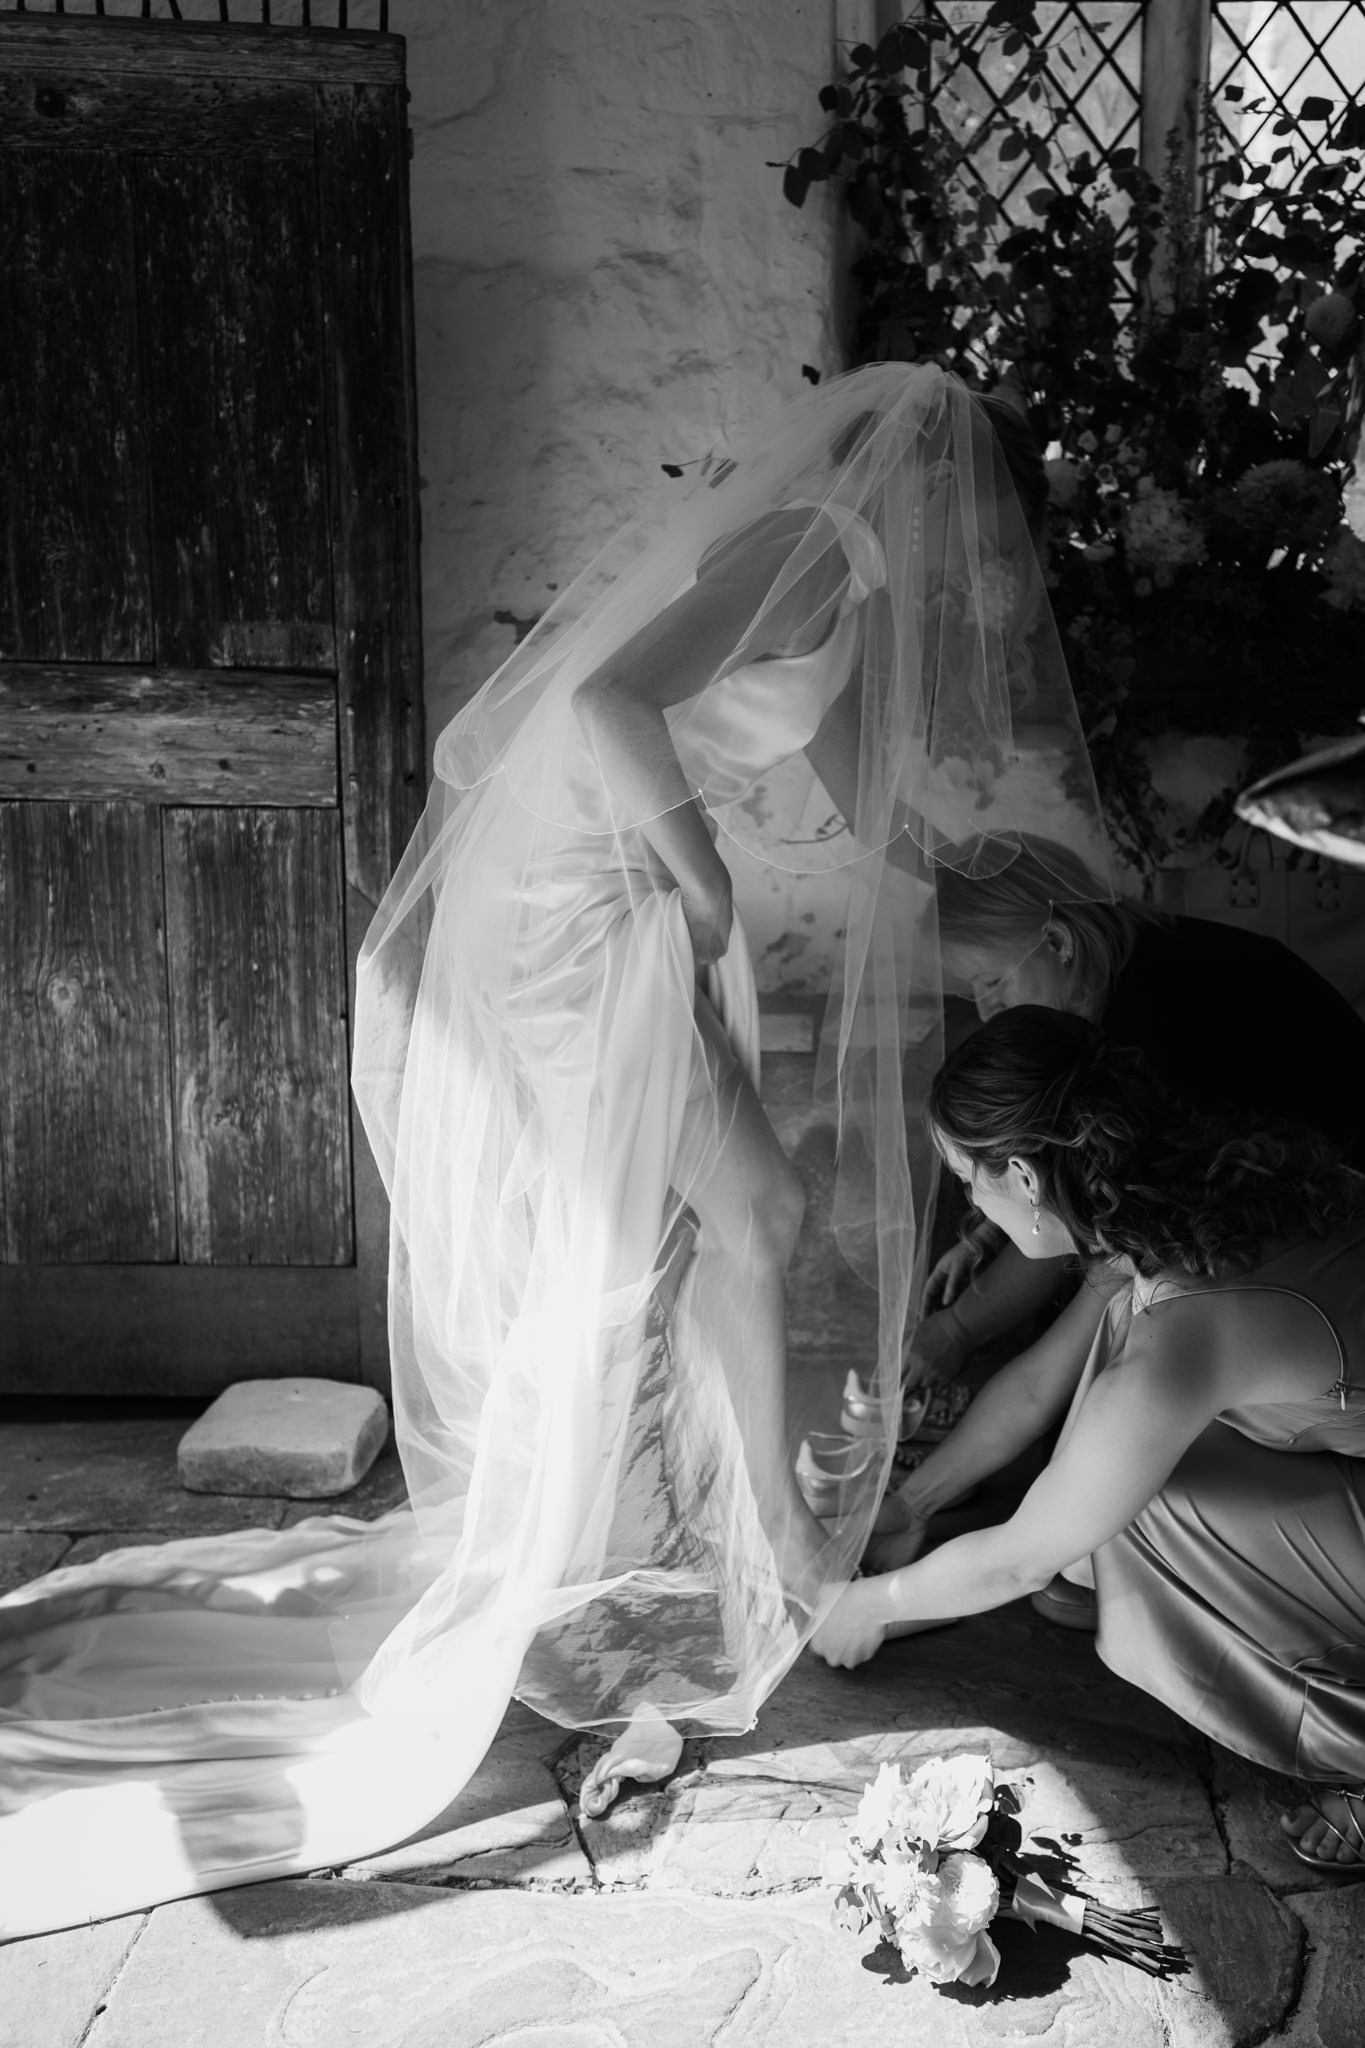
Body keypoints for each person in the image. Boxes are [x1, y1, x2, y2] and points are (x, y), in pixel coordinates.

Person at [0, 365, 1111, 1939]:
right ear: (929, 482)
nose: (988, 578)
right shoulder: (816, 542)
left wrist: (1013, 895)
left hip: (618, 890)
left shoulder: (850, 585)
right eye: (988, 534)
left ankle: (727, 1527)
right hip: (579, 905)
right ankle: (778, 1546)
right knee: (754, 1210)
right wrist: (702, 877)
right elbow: (604, 705)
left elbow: (872, 813)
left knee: (719, 1221)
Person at [811, 1005, 1365, 1875]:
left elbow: (1015, 1562)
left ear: (1024, 1177)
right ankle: (1092, 1566)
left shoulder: (1184, 1332)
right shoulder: (1181, 1202)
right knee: (1113, 1436)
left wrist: (865, 1607)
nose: (971, 1205)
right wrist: (913, 1506)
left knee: (1131, 1494)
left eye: (967, 1182)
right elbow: (1040, 1383)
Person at [908, 836, 1365, 1396]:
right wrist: (987, 1228)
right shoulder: (1138, 956)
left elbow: (1070, 1212)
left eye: (992, 981)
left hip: (1336, 1232)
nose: (986, 1010)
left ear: (1057, 941)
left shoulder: (1152, 1032)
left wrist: (957, 1329)